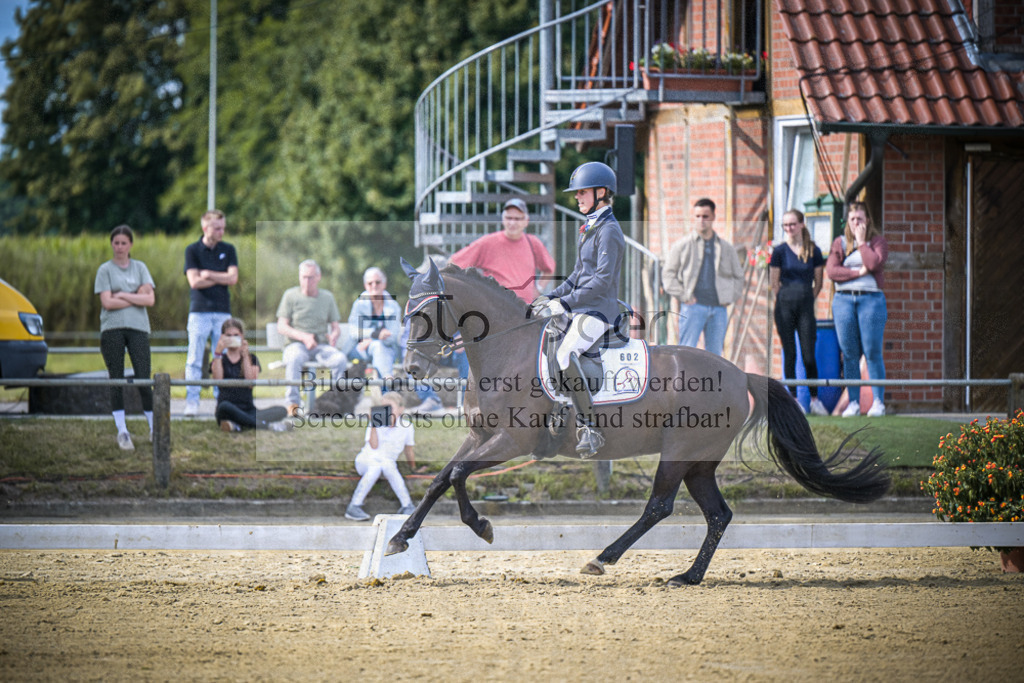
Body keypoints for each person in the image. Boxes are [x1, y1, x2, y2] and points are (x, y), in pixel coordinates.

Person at [531, 161, 625, 456]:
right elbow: (576, 276)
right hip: (583, 307)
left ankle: (589, 426)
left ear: (601, 192)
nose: (576, 197)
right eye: (577, 193)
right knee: (548, 344)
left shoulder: (609, 230)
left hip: (600, 310)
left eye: (582, 192)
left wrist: (565, 303)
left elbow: (601, 280)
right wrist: (550, 296)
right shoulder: (589, 227)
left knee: (564, 352)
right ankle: (562, 406)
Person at [94, 225, 156, 451]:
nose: (119, 247)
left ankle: (153, 428)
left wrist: (121, 294)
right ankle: (122, 431)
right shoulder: (105, 270)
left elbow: (150, 299)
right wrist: (134, 297)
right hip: (112, 330)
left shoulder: (140, 268)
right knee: (116, 379)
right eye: (116, 243)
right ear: (112, 244)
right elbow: (107, 303)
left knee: (143, 377)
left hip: (138, 328)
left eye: (123, 243)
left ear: (130, 244)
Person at [826, 200, 889, 417]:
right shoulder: (840, 243)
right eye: (852, 219)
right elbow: (832, 271)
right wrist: (856, 273)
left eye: (860, 219)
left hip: (871, 300)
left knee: (872, 352)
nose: (856, 222)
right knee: (849, 354)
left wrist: (862, 243)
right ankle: (853, 402)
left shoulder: (877, 242)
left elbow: (873, 264)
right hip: (843, 301)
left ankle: (878, 403)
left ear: (867, 220)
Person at [662, 198, 745, 356]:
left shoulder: (726, 248)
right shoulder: (682, 246)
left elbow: (739, 276)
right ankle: (685, 382)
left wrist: (729, 297)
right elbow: (668, 274)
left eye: (705, 216)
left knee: (715, 357)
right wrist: (684, 295)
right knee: (686, 353)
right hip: (693, 307)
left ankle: (712, 382)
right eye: (697, 216)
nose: (701, 220)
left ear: (713, 216)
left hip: (718, 309)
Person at [770, 209, 828, 416]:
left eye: (792, 224)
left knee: (808, 354)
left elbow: (819, 282)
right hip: (784, 307)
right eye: (785, 225)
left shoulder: (814, 250)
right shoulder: (779, 251)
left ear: (802, 224)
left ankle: (814, 399)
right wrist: (787, 296)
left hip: (805, 306)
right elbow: (774, 282)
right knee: (790, 353)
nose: (789, 228)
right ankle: (793, 400)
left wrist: (805, 297)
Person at [276, 259, 349, 417]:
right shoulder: (290, 295)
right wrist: (304, 337)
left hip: (321, 346)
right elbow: (281, 326)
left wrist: (334, 335)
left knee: (340, 359)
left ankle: (336, 402)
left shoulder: (327, 297)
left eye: (311, 277)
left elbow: (336, 326)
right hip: (296, 345)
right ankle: (293, 404)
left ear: (318, 277)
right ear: (299, 277)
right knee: (294, 358)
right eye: (304, 277)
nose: (307, 281)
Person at [449, 197, 557, 303]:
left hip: (525, 311)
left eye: (517, 219)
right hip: (497, 310)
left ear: (526, 221)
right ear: (503, 220)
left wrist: (539, 289)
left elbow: (549, 269)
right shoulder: (488, 242)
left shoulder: (533, 243)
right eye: (509, 218)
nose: (512, 223)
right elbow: (453, 263)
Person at [183, 209, 238, 416]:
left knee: (223, 357)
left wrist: (208, 274)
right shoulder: (192, 251)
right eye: (217, 228)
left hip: (223, 313)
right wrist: (220, 276)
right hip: (199, 312)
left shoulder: (229, 249)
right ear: (205, 228)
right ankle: (192, 402)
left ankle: (221, 401)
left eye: (223, 227)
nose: (221, 231)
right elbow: (194, 282)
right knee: (195, 358)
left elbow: (233, 279)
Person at [344, 392, 420, 521]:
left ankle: (407, 506)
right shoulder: (376, 422)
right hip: (367, 461)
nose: (387, 411)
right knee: (376, 466)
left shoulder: (407, 427)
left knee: (386, 465)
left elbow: (409, 450)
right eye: (384, 407)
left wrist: (412, 467)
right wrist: (374, 425)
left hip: (387, 465)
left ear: (401, 409)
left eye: (390, 407)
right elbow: (373, 446)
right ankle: (354, 506)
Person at [210, 318, 291, 432]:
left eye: (236, 335)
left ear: (242, 336)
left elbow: (250, 383)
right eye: (228, 335)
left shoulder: (251, 358)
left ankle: (238, 424)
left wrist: (245, 355)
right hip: (227, 409)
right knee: (224, 406)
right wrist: (218, 352)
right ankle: (268, 426)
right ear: (223, 337)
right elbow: (218, 381)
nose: (232, 338)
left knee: (282, 410)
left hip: (248, 409)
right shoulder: (219, 359)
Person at [347, 266, 402, 382]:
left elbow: (392, 337)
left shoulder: (393, 306)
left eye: (377, 282)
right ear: (365, 286)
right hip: (359, 350)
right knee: (379, 348)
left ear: (384, 284)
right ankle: (388, 383)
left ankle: (387, 385)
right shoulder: (359, 304)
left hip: (386, 349)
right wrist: (375, 334)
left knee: (379, 348)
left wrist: (371, 340)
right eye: (370, 283)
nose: (374, 286)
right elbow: (353, 331)